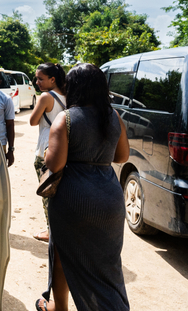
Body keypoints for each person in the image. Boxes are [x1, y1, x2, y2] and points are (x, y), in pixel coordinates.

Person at [35, 63, 131, 311]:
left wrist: (48, 152)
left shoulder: (66, 118)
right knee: (107, 260)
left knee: (62, 255)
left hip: (73, 197)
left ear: (74, 87)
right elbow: (122, 156)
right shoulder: (114, 116)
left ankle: (60, 308)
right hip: (109, 197)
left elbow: (56, 164)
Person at [28, 63, 67, 243]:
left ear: (52, 79)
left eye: (40, 79)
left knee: (47, 192)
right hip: (63, 150)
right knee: (60, 194)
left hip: (45, 150)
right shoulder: (68, 95)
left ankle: (51, 231)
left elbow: (33, 121)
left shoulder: (46, 97)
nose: (37, 82)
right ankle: (60, 228)